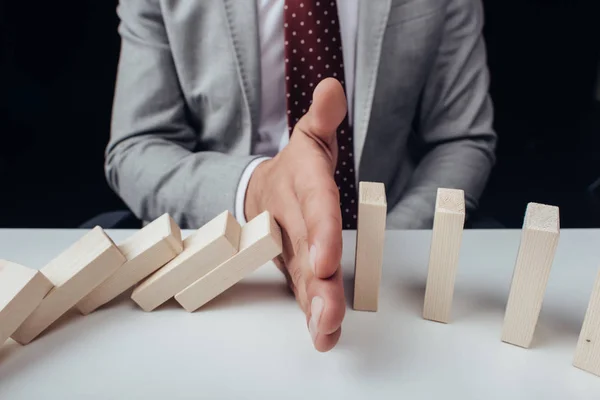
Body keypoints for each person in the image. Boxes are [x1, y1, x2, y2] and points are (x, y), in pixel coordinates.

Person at [105, 0, 497, 352]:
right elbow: (137, 145)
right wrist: (256, 190)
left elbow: (461, 139)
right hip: (226, 269)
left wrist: (378, 247)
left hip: (390, 271)